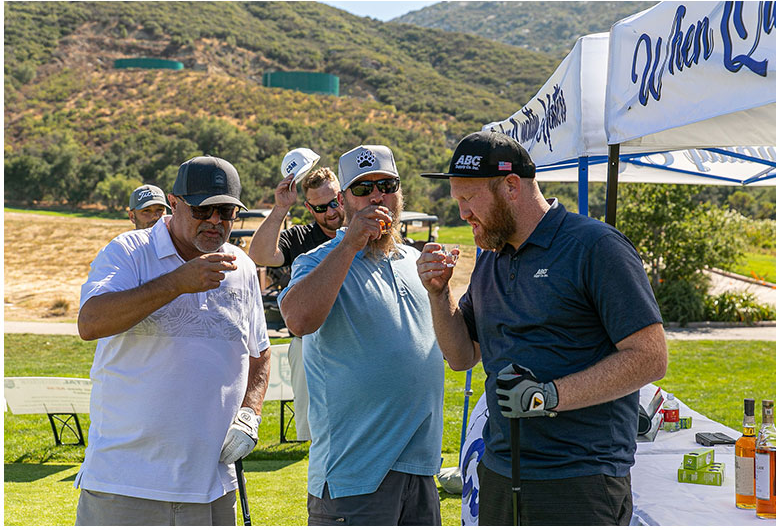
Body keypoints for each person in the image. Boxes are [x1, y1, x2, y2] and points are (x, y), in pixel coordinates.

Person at [417, 131, 668, 526]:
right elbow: (461, 356)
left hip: (580, 481)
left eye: (470, 199)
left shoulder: (595, 247)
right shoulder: (490, 259)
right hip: (499, 472)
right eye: (457, 200)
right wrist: (438, 293)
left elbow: (650, 358)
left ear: (511, 186)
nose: (463, 213)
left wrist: (547, 396)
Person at [75, 156, 271, 526]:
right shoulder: (129, 251)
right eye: (202, 210)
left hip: (214, 486)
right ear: (174, 202)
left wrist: (250, 413)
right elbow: (90, 322)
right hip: (125, 485)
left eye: (226, 212)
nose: (215, 221)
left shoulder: (241, 266)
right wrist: (176, 283)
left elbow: (259, 353)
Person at [278, 145, 445, 525]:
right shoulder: (317, 259)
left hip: (420, 469)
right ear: (343, 201)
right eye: (362, 188)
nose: (376, 196)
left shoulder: (412, 261)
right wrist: (351, 244)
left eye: (386, 185)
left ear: (399, 194)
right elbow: (298, 320)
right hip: (354, 475)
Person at [248, 166, 345, 442]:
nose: (330, 212)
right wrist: (281, 208)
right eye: (320, 208)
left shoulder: (364, 232)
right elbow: (260, 254)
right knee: (316, 434)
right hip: (311, 343)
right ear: (309, 208)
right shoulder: (300, 237)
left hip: (356, 339)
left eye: (334, 202)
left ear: (343, 196)